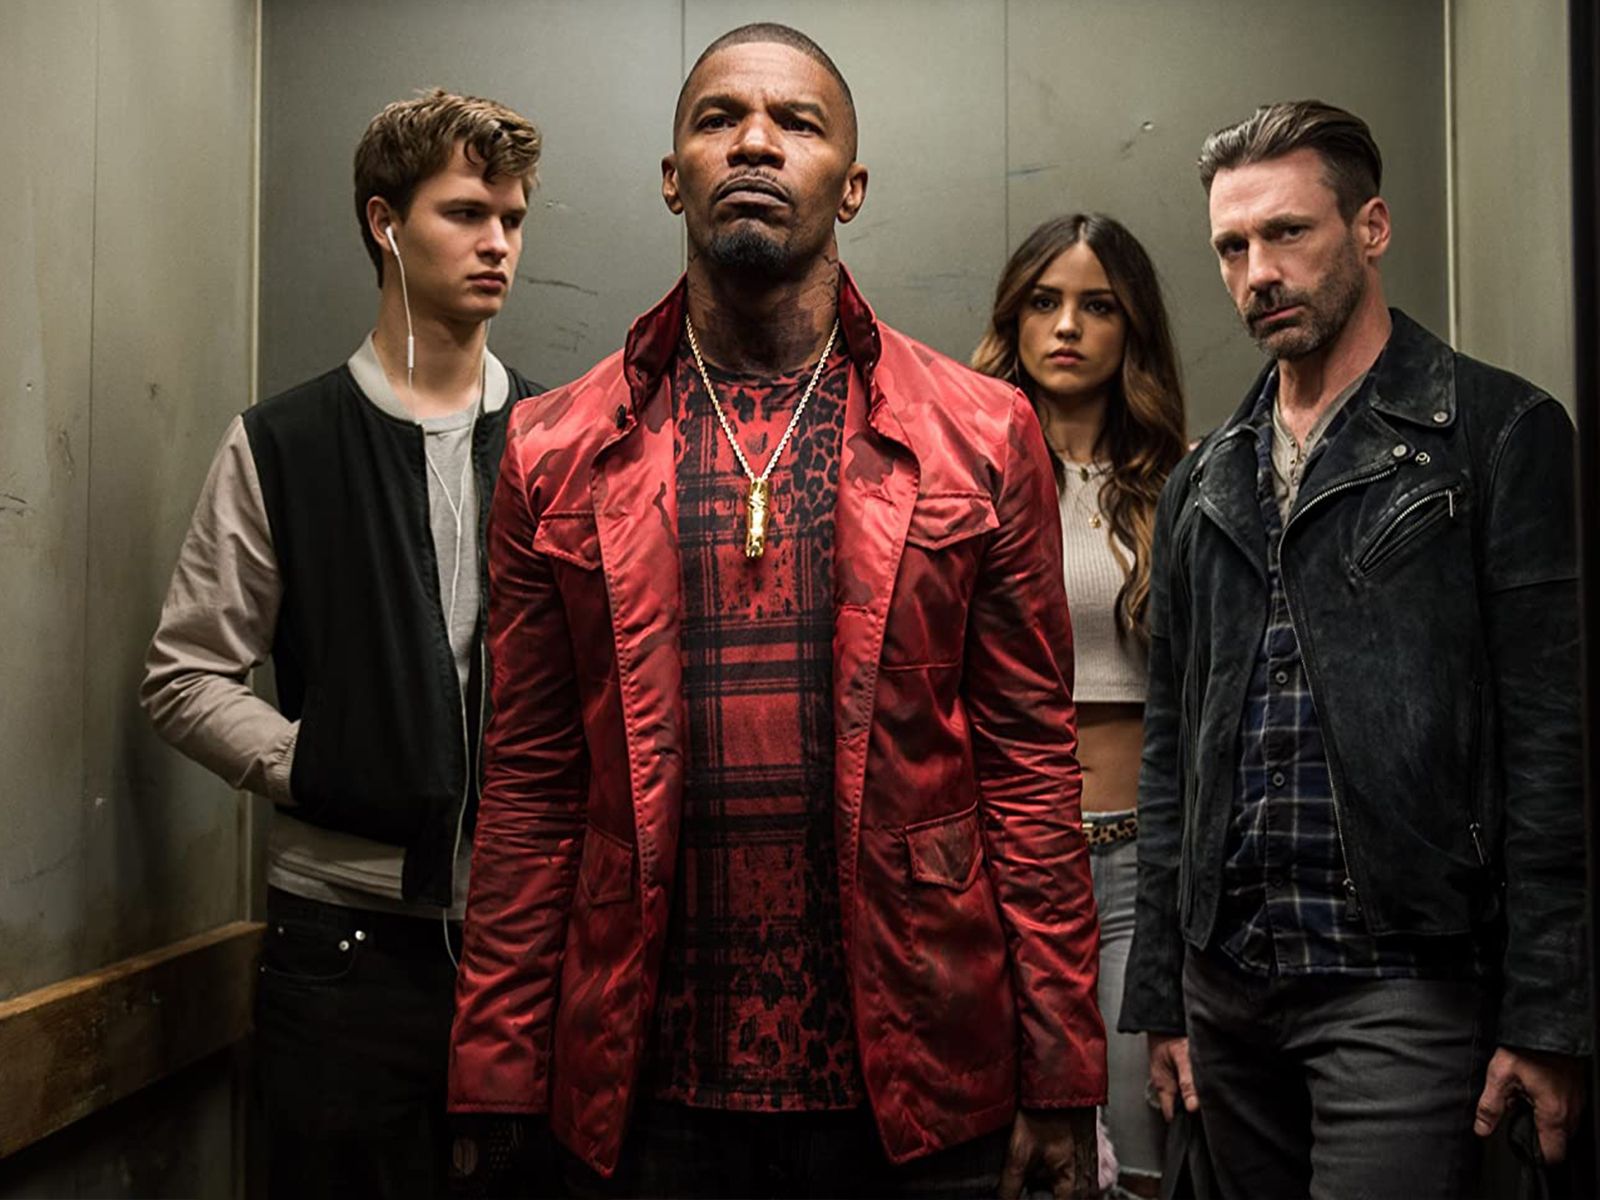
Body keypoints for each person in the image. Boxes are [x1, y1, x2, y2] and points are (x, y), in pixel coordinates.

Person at [447, 23, 1106, 1200]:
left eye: (797, 123)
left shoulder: (980, 432)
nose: (755, 141)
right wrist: (495, 1077)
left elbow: (1026, 771)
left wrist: (1061, 1069)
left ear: (851, 186)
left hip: (918, 1079)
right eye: (719, 119)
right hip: (646, 1092)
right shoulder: (554, 449)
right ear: (672, 177)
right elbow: (530, 788)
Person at [1120, 99, 1589, 1199]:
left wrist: (1548, 1013)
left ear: (1370, 228)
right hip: (1226, 989)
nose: (1257, 274)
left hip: (1401, 980)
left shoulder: (1495, 434)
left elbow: (1554, 746)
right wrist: (1163, 999)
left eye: (1288, 232)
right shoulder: (1205, 477)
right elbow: (1170, 749)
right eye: (1232, 247)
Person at [141, 88, 543, 1199]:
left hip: (529, 947)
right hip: (340, 953)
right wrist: (313, 764)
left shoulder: (561, 441)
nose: (498, 243)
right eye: (466, 213)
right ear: (384, 222)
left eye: (512, 218)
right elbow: (183, 675)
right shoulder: (283, 443)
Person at [973, 213, 1186, 1198]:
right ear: (1011, 318)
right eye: (1043, 302)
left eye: (1097, 306)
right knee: (1022, 1162)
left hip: (1144, 864)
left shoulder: (1180, 482)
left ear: (1130, 326)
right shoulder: (962, 473)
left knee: (1142, 1162)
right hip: (1009, 864)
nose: (1067, 326)